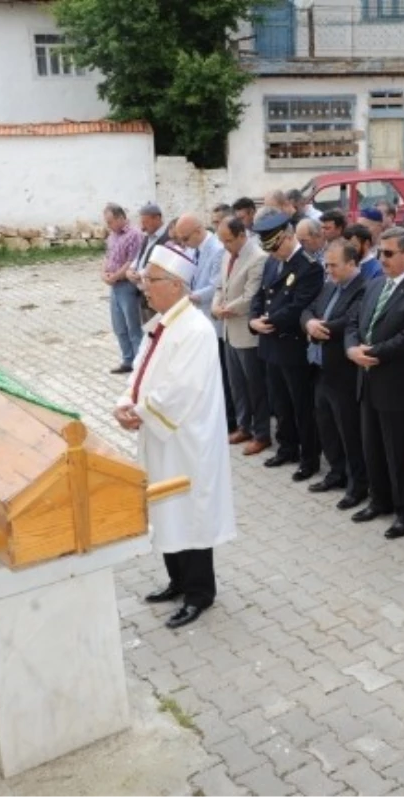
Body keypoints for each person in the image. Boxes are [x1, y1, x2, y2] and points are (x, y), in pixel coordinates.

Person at [115, 244, 237, 629]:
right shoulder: (164, 322)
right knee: (166, 509)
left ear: (174, 284)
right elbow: (140, 369)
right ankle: (177, 581)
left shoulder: (196, 329)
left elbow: (181, 389)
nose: (144, 287)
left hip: (187, 440)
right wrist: (125, 401)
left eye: (150, 280)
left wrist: (141, 411)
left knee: (191, 511)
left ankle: (200, 593)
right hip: (160, 433)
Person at [345, 228, 404, 539]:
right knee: (372, 446)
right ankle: (379, 500)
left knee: (400, 452)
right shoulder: (374, 286)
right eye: (381, 252)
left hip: (397, 385)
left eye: (389, 253)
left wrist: (370, 352)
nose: (381, 259)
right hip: (367, 379)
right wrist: (351, 348)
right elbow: (355, 322)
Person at [249, 208, 323, 479]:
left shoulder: (309, 267)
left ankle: (309, 457)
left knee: (301, 405)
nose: (274, 252)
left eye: (276, 245)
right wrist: (254, 319)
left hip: (292, 346)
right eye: (270, 247)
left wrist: (267, 322)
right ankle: (287, 447)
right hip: (270, 344)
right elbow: (260, 294)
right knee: (279, 402)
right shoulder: (271, 262)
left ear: (289, 236)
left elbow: (298, 306)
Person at [301, 240, 369, 508]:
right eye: (326, 265)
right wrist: (309, 322)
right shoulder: (329, 286)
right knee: (326, 425)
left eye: (334, 265)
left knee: (348, 431)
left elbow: (350, 322)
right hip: (320, 369)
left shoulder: (363, 288)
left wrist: (320, 328)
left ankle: (357, 484)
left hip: (343, 373)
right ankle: (336, 473)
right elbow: (308, 309)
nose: (328, 270)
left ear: (352, 264)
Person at [212, 218, 271, 456]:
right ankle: (243, 425)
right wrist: (216, 306)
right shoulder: (227, 255)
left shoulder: (257, 258)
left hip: (246, 334)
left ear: (240, 235)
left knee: (254, 386)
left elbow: (250, 296)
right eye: (222, 240)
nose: (225, 245)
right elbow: (220, 286)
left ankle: (262, 433)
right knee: (237, 384)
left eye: (228, 240)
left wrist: (225, 309)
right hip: (228, 330)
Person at [173, 213, 231, 431]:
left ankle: (227, 419)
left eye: (185, 238)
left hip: (212, 320)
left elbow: (217, 286)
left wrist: (191, 296)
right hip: (198, 317)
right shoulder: (194, 248)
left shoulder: (216, 250)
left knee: (220, 375)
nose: (184, 243)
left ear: (198, 231)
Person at [102, 202, 146, 374]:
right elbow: (107, 256)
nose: (108, 225)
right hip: (114, 286)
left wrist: (116, 276)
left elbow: (131, 261)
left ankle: (139, 362)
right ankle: (127, 360)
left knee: (133, 325)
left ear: (121, 218)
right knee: (119, 325)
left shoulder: (134, 235)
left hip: (127, 285)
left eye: (111, 221)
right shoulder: (112, 236)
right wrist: (103, 273)